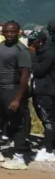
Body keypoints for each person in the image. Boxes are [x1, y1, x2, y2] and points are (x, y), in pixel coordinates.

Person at [0, 21, 32, 171]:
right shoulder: (2, 45)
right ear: (2, 32)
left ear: (18, 32)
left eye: (12, 31)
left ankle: (19, 158)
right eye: (6, 31)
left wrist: (17, 99)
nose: (9, 34)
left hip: (13, 89)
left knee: (16, 123)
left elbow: (25, 76)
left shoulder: (22, 50)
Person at [32, 29, 54, 163]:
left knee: (48, 120)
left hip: (46, 91)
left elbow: (39, 71)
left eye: (32, 42)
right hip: (47, 89)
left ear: (39, 42)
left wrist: (33, 56)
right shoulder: (46, 51)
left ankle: (49, 150)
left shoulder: (48, 53)